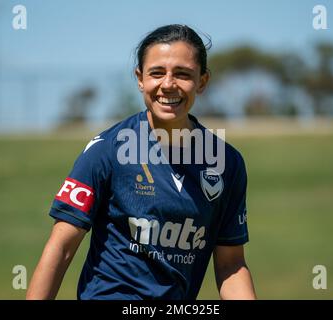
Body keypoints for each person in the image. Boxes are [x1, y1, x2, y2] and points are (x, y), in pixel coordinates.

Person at [26, 24, 256, 300]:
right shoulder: (107, 150)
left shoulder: (227, 163)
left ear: (202, 81)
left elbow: (231, 263)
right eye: (156, 73)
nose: (168, 84)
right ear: (139, 78)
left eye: (182, 74)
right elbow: (61, 246)